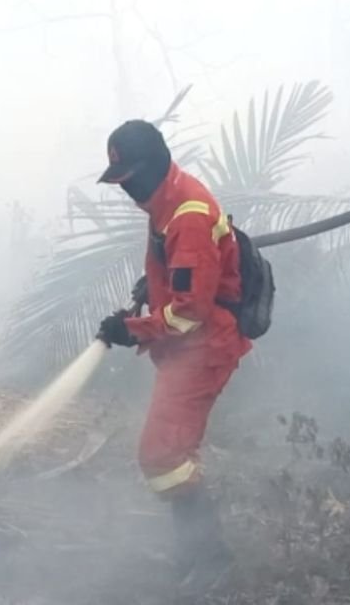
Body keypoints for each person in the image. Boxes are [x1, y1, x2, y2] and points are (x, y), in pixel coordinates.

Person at [96, 119, 251, 588]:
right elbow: (182, 278)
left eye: (131, 181)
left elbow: (190, 312)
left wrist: (131, 330)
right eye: (120, 183)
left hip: (205, 346)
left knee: (163, 455)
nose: (128, 191)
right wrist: (152, 285)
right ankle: (195, 550)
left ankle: (212, 559)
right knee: (166, 453)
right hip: (187, 345)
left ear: (155, 166)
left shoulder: (186, 215)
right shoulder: (165, 201)